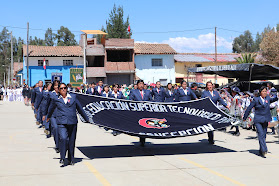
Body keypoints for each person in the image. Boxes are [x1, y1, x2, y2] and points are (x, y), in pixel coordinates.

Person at [47, 83, 89, 166]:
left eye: (64, 88)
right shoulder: (57, 99)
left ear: (67, 89)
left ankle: (71, 159)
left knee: (71, 141)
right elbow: (51, 108)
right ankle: (62, 157)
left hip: (72, 122)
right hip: (61, 122)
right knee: (63, 138)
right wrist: (48, 116)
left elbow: (79, 108)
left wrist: (86, 118)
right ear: (59, 90)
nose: (63, 89)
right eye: (61, 88)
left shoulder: (73, 97)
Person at [243, 86, 278, 158]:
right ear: (260, 92)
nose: (265, 93)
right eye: (263, 91)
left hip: (265, 119)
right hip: (258, 120)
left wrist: (277, 96)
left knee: (264, 135)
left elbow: (274, 99)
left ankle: (260, 150)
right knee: (261, 134)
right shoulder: (256, 99)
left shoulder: (267, 98)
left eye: (266, 91)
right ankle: (264, 149)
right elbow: (249, 108)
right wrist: (245, 117)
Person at [129, 80, 152, 146]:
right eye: (140, 84)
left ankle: (143, 140)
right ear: (137, 85)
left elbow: (151, 101)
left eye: (142, 84)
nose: (141, 85)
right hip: (137, 112)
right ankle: (141, 138)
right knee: (139, 126)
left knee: (144, 127)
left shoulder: (147, 92)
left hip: (146, 112)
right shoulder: (133, 92)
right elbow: (130, 101)